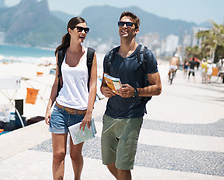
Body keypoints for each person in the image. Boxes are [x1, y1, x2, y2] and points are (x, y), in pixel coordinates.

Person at [100, 11, 162, 180]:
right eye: (121, 24)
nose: (124, 26)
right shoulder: (110, 56)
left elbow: (157, 88)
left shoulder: (145, 55)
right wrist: (104, 90)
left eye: (129, 24)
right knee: (109, 161)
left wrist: (136, 91)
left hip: (132, 117)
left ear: (137, 30)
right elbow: (103, 85)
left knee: (123, 165)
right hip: (110, 115)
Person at [44, 17, 97, 180]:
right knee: (58, 154)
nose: (83, 32)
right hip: (60, 110)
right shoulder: (61, 53)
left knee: (75, 155)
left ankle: (77, 178)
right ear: (70, 30)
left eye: (85, 30)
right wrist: (49, 106)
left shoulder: (90, 54)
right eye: (79, 29)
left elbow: (93, 85)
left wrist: (89, 112)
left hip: (81, 115)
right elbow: (57, 82)